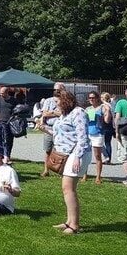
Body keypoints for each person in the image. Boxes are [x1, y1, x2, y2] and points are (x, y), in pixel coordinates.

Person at [38, 89, 90, 235]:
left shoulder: (79, 113)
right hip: (66, 154)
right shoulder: (65, 114)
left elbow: (82, 137)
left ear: (65, 100)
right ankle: (69, 221)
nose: (56, 105)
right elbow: (62, 134)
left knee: (68, 188)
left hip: (76, 154)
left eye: (57, 101)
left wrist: (78, 157)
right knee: (66, 189)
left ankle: (74, 225)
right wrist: (46, 130)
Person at [81, 91, 111, 184]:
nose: (91, 99)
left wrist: (108, 111)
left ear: (98, 98)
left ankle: (98, 176)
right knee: (85, 155)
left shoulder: (102, 108)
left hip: (98, 133)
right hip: (88, 133)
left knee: (97, 156)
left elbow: (107, 121)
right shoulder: (87, 109)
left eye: (93, 98)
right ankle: (84, 175)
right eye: (90, 98)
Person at [39, 82, 64, 177]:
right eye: (55, 89)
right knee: (48, 150)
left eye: (58, 89)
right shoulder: (48, 101)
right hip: (49, 126)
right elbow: (44, 114)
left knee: (60, 150)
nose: (56, 91)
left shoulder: (65, 101)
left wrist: (51, 112)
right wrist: (55, 112)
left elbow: (63, 113)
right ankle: (46, 170)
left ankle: (60, 170)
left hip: (61, 129)